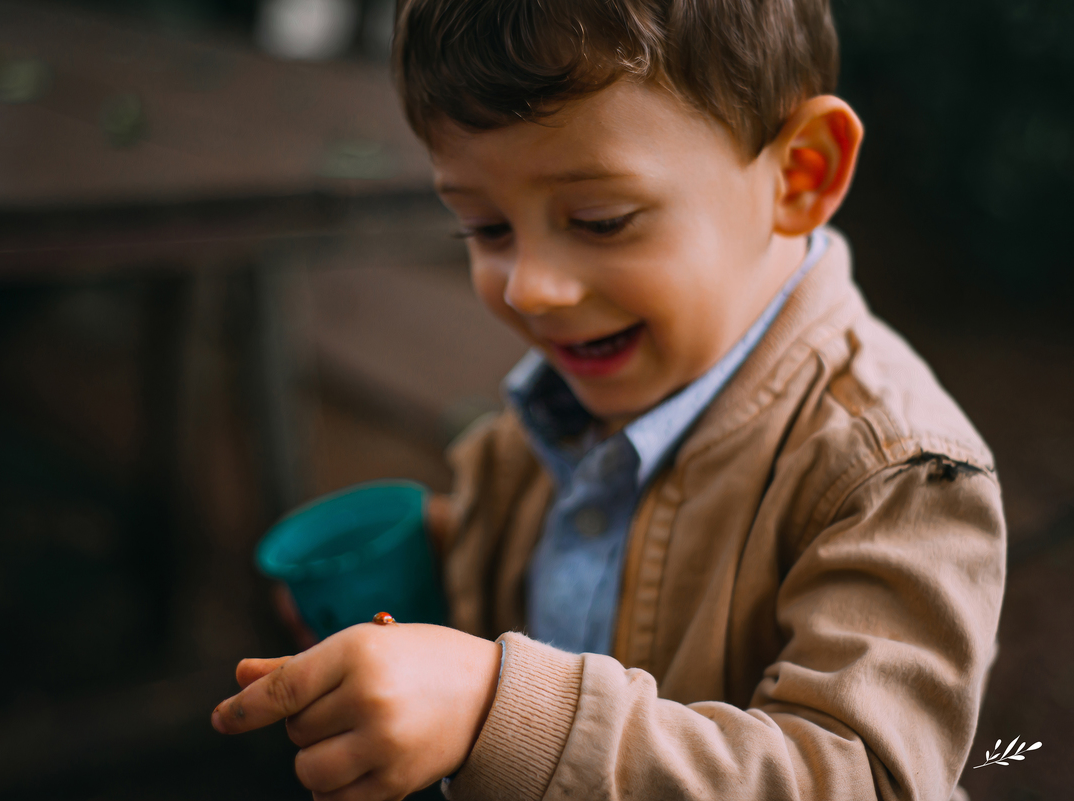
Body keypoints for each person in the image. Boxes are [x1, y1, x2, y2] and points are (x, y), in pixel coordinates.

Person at [211, 2, 1007, 800]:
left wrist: (498, 708)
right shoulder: (579, 396)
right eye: (485, 228)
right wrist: (440, 565)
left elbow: (865, 777)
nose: (531, 286)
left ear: (799, 173)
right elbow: (584, 577)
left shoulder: (894, 478)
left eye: (601, 220)